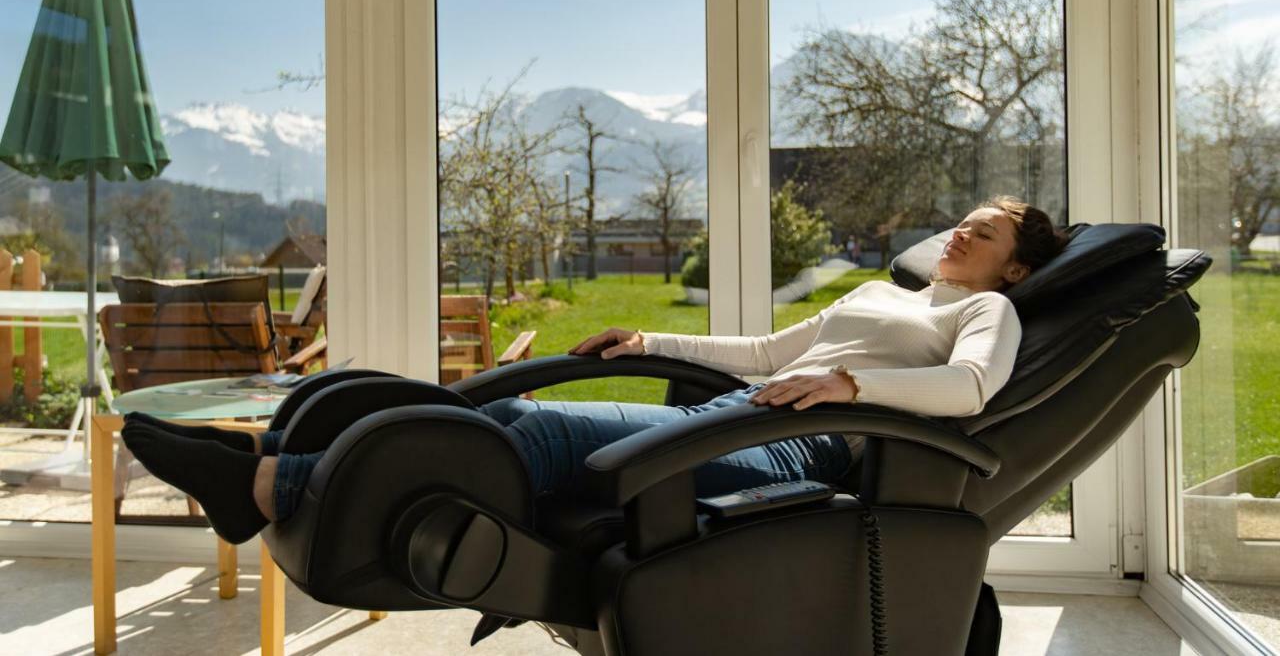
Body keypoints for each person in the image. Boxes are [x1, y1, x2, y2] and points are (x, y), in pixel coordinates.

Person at [121, 195, 1068, 545]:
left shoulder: (988, 312)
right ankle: (301, 450)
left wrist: (854, 388)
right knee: (518, 413)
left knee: (533, 433)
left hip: (796, 449)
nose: (962, 234)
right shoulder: (881, 293)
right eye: (964, 221)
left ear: (1013, 266)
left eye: (984, 232)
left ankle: (260, 480)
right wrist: (651, 344)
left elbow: (970, 391)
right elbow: (768, 355)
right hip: (747, 407)